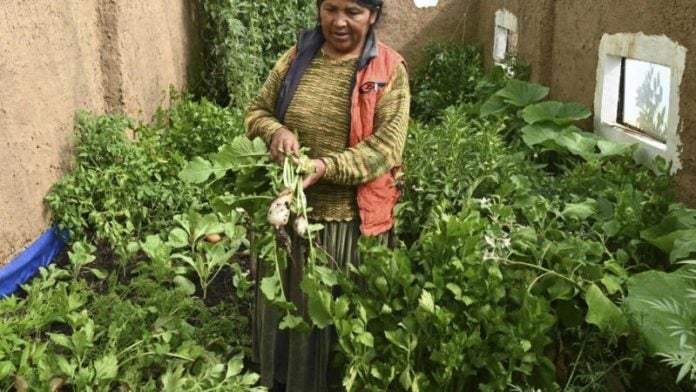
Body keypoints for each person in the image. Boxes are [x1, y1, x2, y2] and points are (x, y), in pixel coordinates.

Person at [244, 0, 410, 390]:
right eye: (330, 8)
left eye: (352, 11)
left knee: (336, 320)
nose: (338, 22)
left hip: (347, 224)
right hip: (292, 215)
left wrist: (324, 167)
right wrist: (275, 132)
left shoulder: (389, 70)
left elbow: (386, 149)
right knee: (288, 305)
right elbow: (256, 110)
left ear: (373, 14)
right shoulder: (297, 56)